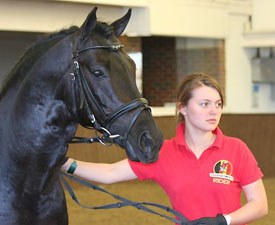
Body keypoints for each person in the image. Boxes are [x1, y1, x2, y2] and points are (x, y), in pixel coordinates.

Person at [62, 73, 268, 225]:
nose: (214, 111)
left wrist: (224, 221)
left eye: (218, 104)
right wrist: (62, 163)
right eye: (205, 104)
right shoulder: (163, 153)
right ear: (183, 108)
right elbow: (109, 173)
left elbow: (259, 204)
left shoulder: (236, 149)